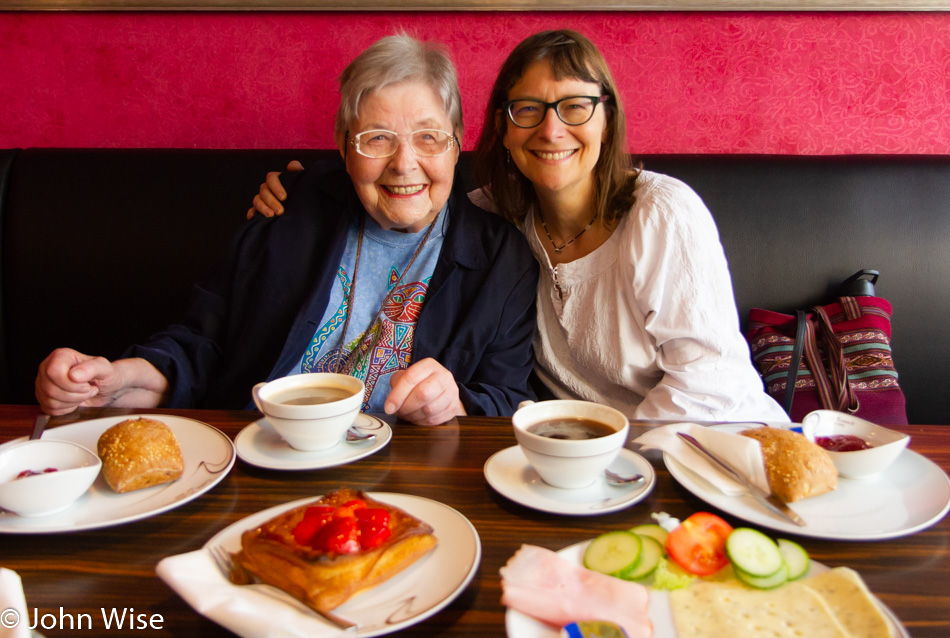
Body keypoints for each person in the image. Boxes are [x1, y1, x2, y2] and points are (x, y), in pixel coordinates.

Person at [246, 30, 788, 424]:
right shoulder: (501, 216)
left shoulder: (661, 213)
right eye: (528, 109)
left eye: (575, 106)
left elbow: (709, 388)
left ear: (607, 118)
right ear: (503, 129)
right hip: (576, 462)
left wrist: (615, 460)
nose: (552, 129)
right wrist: (308, 188)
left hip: (710, 447)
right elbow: (412, 187)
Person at [35, 35, 539, 426]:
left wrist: (455, 402)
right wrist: (117, 381)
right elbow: (204, 341)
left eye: (428, 138)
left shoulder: (502, 260)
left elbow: (508, 397)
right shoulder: (292, 205)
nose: (404, 164)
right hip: (255, 456)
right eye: (377, 139)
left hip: (404, 474)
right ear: (343, 148)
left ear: (456, 144)